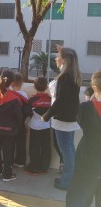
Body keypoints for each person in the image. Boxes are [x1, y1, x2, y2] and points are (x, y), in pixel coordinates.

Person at [42, 47, 82, 190]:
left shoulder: (66, 76)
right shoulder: (73, 75)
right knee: (69, 149)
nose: (55, 58)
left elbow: (60, 100)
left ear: (64, 59)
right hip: (69, 118)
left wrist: (46, 116)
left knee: (66, 150)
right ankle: (70, 179)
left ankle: (67, 181)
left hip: (63, 119)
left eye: (57, 56)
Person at [66, 70, 101, 207]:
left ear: (94, 87)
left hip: (88, 156)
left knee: (80, 193)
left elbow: (81, 122)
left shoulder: (86, 107)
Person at [0, 70, 22, 182]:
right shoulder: (14, 98)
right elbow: (18, 116)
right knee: (8, 152)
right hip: (10, 131)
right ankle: (7, 174)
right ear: (12, 83)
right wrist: (16, 126)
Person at [24, 77, 51, 175]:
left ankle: (33, 169)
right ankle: (44, 169)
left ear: (34, 87)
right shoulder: (50, 99)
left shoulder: (33, 99)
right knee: (46, 147)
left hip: (35, 127)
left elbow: (26, 111)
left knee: (34, 148)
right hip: (47, 127)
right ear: (46, 86)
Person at [11, 72, 29, 168]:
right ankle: (21, 161)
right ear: (21, 83)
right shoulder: (24, 95)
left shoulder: (8, 94)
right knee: (21, 143)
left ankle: (9, 160)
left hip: (10, 123)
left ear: (11, 83)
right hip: (21, 123)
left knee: (10, 143)